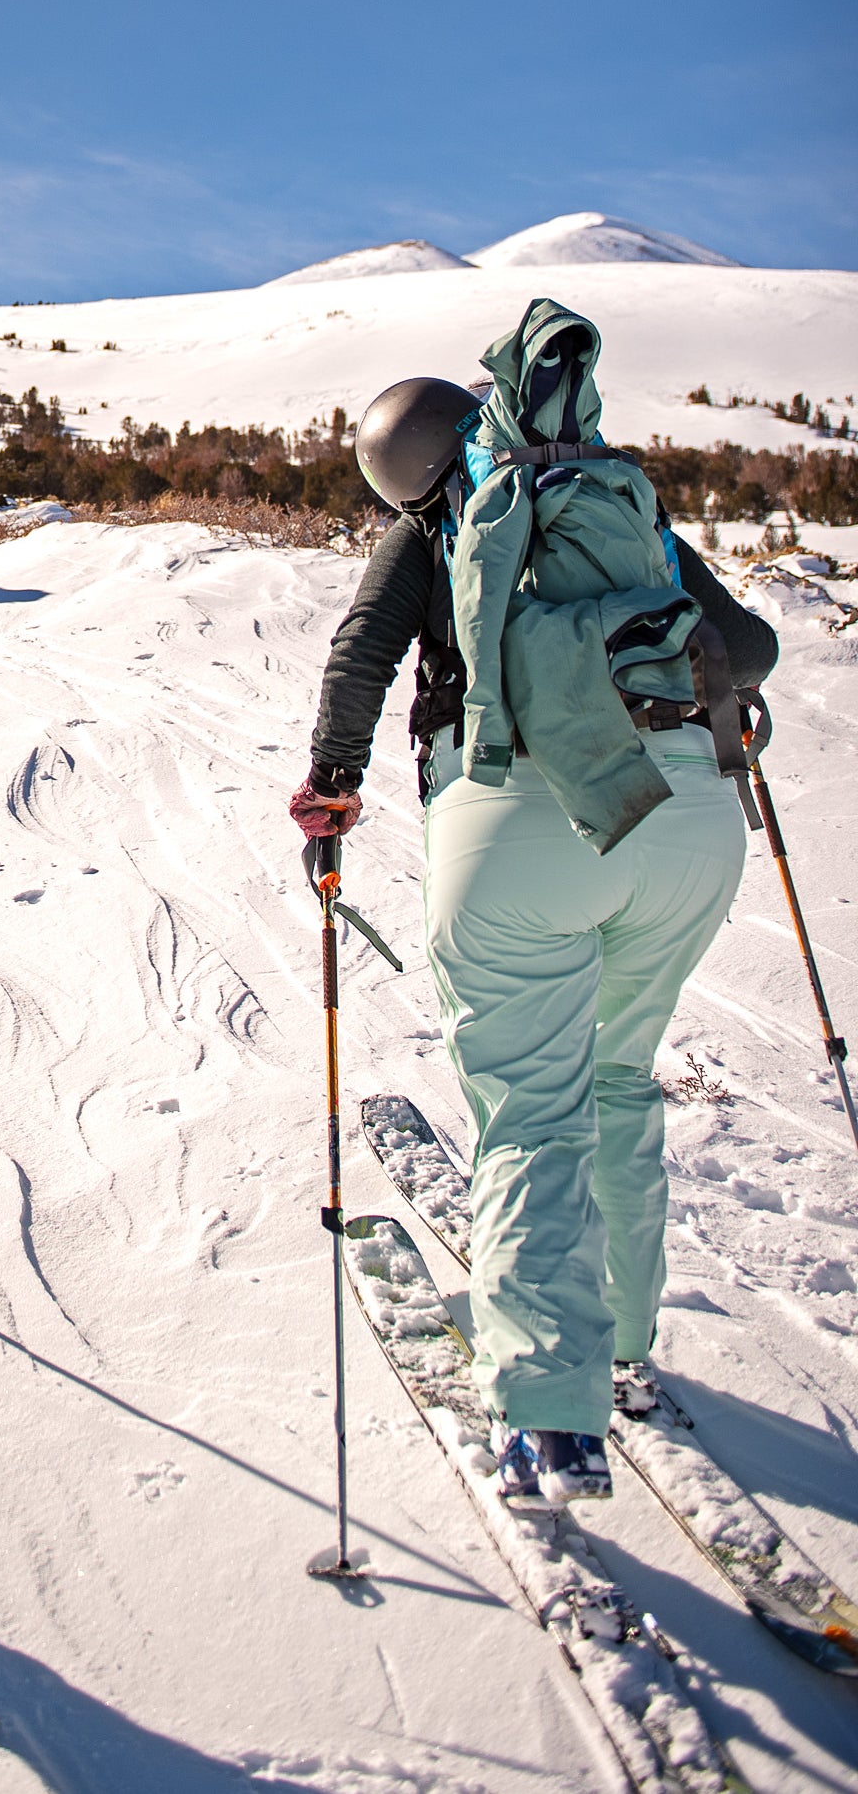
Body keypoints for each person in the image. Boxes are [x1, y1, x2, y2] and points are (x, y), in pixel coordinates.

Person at [294, 310, 776, 1512]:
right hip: (687, 821)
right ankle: (622, 1343)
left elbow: (359, 656)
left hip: (519, 819)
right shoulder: (619, 503)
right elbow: (752, 647)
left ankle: (549, 1420)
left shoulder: (437, 520)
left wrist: (331, 790)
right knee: (617, 1076)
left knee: (529, 1112)